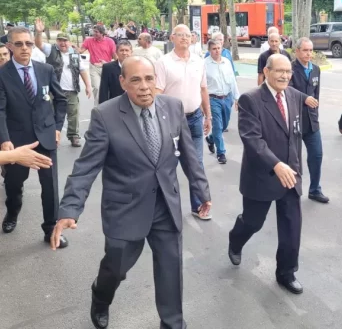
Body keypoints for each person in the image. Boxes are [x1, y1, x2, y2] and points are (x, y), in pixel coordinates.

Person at [51, 56, 212, 329]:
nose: (144, 86)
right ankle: (101, 296)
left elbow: (189, 155)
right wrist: (69, 210)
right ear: (123, 82)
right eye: (135, 80)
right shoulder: (106, 115)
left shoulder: (173, 107)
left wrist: (202, 191)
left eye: (149, 79)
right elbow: (85, 168)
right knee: (116, 269)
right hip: (125, 209)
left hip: (165, 205)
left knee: (171, 270)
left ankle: (173, 323)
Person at [228, 54, 317, 295]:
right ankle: (235, 239)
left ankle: (286, 273)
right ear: (266, 72)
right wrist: (276, 165)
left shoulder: (293, 95)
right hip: (262, 175)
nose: (285, 76)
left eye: (288, 71)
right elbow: (252, 139)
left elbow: (297, 132)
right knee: (253, 222)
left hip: (290, 174)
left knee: (291, 226)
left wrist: (297, 164)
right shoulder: (251, 99)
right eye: (279, 71)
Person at [0, 26, 68, 247]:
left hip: (47, 137)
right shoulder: (2, 74)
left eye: (28, 43)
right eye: (18, 44)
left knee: (50, 187)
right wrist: (4, 139)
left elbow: (60, 100)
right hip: (17, 142)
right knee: (13, 184)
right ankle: (12, 213)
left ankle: (50, 229)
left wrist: (57, 127)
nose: (24, 48)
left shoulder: (45, 70)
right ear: (9, 47)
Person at [155, 24, 212, 219]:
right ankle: (167, 209)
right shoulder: (163, 63)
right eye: (181, 35)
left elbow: (203, 89)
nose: (185, 39)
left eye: (188, 35)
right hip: (170, 121)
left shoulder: (199, 61)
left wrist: (208, 115)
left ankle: (198, 206)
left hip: (195, 117)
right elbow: (157, 94)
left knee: (197, 163)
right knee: (167, 166)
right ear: (172, 38)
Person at [34, 18, 92, 147]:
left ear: (70, 42)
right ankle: (52, 135)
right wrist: (38, 32)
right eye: (60, 40)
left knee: (74, 114)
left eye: (65, 40)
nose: (62, 43)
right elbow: (38, 44)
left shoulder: (75, 54)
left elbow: (82, 70)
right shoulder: (51, 50)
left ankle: (73, 136)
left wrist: (88, 86)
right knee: (52, 114)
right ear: (57, 42)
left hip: (72, 89)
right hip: (54, 90)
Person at [289, 38, 328, 203]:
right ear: (297, 51)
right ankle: (292, 190)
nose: (309, 54)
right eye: (305, 50)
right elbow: (287, 90)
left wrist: (315, 112)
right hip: (294, 120)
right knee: (293, 158)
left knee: (316, 155)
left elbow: (316, 94)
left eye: (311, 50)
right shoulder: (289, 68)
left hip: (312, 121)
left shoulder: (316, 69)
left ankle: (315, 189)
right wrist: (304, 98)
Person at [204, 39, 240, 164]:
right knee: (218, 126)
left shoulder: (227, 62)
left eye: (218, 48)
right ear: (209, 50)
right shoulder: (205, 64)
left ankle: (211, 138)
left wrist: (237, 98)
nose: (217, 51)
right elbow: (202, 86)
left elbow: (233, 80)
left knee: (224, 125)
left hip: (227, 98)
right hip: (213, 99)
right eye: (214, 49)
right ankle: (221, 153)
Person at [79, 25, 117, 104]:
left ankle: (108, 106)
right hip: (94, 67)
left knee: (108, 88)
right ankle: (98, 107)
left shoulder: (110, 41)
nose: (94, 33)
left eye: (96, 32)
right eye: (94, 31)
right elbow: (80, 51)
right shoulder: (88, 41)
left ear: (102, 33)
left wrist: (118, 64)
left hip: (107, 67)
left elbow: (114, 55)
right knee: (97, 87)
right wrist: (74, 49)